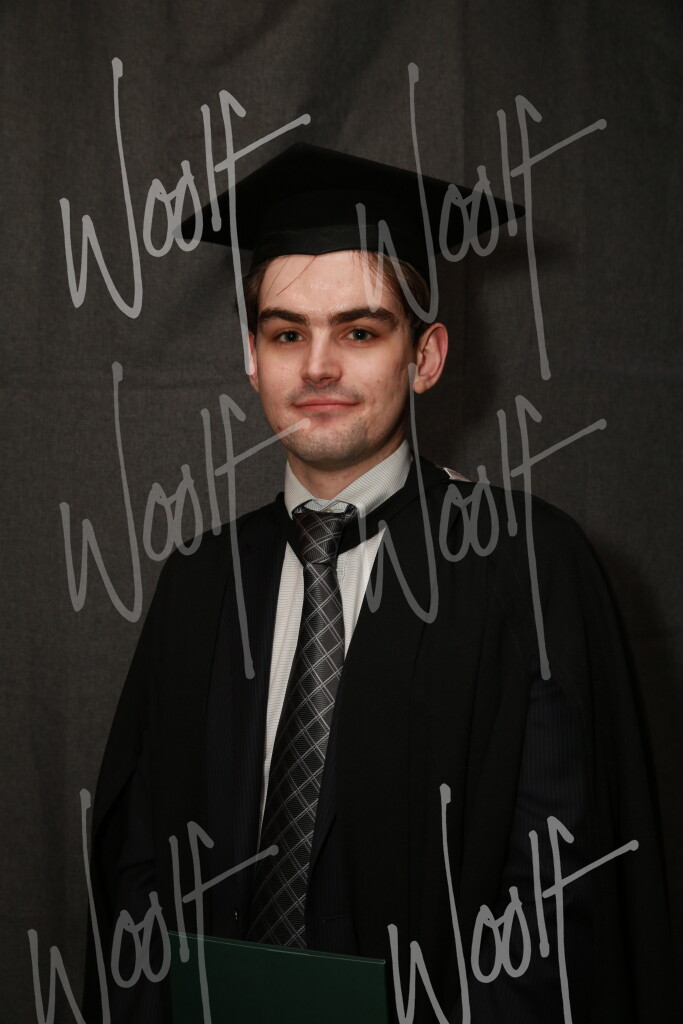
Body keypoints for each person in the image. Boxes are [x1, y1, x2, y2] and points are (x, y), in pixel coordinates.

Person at [83, 144, 677, 1022]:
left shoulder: (526, 569)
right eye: (287, 333)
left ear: (424, 357)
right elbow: (138, 870)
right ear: (251, 358)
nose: (317, 367)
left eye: (359, 332)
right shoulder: (200, 584)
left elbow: (562, 903)